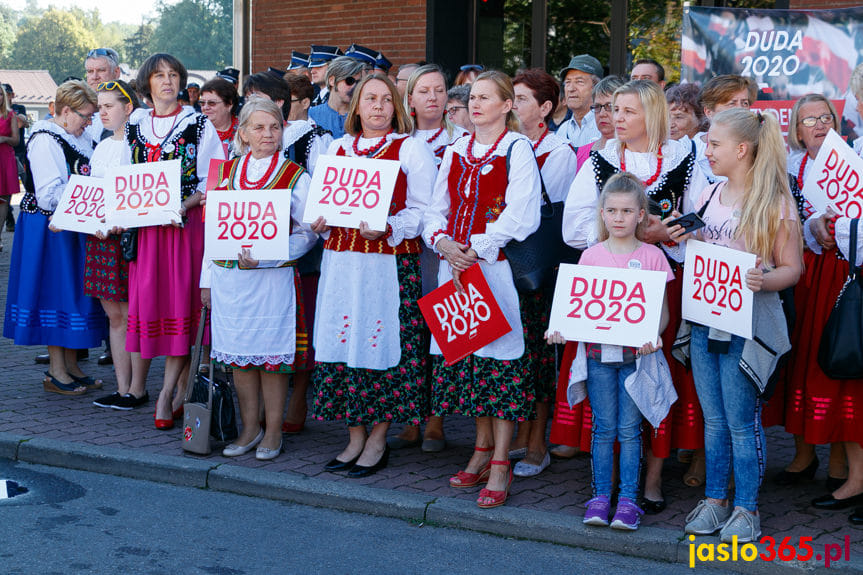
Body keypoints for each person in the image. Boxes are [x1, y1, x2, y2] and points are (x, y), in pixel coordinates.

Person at [563, 80, 710, 513]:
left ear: (652, 115)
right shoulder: (599, 159)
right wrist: (629, 232)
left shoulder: (685, 156)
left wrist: (669, 234)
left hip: (663, 282)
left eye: (627, 111)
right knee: (612, 384)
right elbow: (574, 227)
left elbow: (702, 219)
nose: (616, 118)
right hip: (611, 287)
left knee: (658, 373)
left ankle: (651, 477)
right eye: (614, 109)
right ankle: (608, 483)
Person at [670, 108, 801, 543]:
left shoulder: (775, 202)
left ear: (741, 150)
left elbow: (792, 269)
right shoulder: (708, 195)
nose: (706, 151)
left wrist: (765, 279)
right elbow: (703, 248)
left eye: (714, 145)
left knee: (742, 421)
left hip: (747, 327)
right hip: (707, 319)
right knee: (714, 418)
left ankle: (747, 507)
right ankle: (714, 499)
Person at [423, 71, 541, 508]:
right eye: (472, 97)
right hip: (455, 268)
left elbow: (522, 214)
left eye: (486, 97)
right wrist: (443, 242)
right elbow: (436, 209)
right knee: (471, 362)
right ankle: (480, 447)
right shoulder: (455, 149)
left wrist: (477, 246)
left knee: (499, 367)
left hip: (494, 269)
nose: (475, 104)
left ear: (507, 105)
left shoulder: (517, 149)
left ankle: (499, 464)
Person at [312, 74, 437, 478]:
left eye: (386, 99)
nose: (379, 106)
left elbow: (423, 211)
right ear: (357, 106)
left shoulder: (411, 149)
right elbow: (325, 205)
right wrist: (317, 221)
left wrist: (389, 225)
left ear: (397, 106)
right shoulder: (338, 147)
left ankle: (379, 436)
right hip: (341, 264)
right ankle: (353, 436)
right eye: (370, 99)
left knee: (381, 346)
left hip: (387, 264)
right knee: (344, 343)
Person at [550, 172, 672, 530]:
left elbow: (660, 311)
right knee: (604, 428)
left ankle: (629, 501)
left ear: (641, 215)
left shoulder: (652, 256)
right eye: (612, 210)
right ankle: (601, 496)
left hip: (636, 357)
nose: (619, 218)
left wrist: (656, 334)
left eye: (627, 211)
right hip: (599, 357)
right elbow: (577, 307)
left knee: (630, 431)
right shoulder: (590, 256)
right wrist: (561, 328)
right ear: (601, 213)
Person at [201, 97, 317, 461]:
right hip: (230, 280)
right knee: (240, 359)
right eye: (259, 127)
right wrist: (206, 279)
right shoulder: (226, 172)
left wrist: (273, 254)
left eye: (275, 127)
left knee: (271, 360)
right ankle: (249, 427)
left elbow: (309, 232)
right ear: (244, 133)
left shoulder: (295, 175)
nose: (268, 134)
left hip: (272, 281)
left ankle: (273, 429)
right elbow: (214, 230)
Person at [772, 94, 863, 517]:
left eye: (826, 117)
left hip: (846, 274)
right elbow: (793, 217)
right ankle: (814, 459)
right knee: (809, 361)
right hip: (810, 272)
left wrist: (837, 229)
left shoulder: (851, 158)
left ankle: (849, 471)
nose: (819, 125)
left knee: (842, 362)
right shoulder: (794, 166)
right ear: (797, 127)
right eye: (810, 119)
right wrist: (815, 226)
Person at [125, 53, 225, 430]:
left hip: (184, 230)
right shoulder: (136, 123)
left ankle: (168, 392)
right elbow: (125, 176)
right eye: (159, 75)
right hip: (148, 233)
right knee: (152, 304)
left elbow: (212, 179)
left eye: (173, 75)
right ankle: (169, 389)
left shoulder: (199, 125)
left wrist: (182, 205)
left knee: (182, 307)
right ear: (146, 83)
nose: (167, 81)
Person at [3, 80, 106, 394]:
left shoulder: (79, 136)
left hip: (74, 225)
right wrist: (93, 199)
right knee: (55, 294)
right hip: (48, 228)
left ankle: (72, 366)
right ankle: (56, 371)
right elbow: (50, 194)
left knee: (74, 293)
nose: (89, 122)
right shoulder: (46, 139)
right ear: (65, 111)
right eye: (85, 115)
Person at [387, 64, 468, 454]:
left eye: (439, 90)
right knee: (410, 330)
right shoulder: (396, 140)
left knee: (440, 326)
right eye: (424, 91)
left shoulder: (464, 140)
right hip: (403, 245)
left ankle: (437, 419)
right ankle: (412, 417)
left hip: (443, 246)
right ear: (410, 98)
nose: (432, 97)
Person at [547, 75, 624, 462]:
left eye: (613, 106)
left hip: (631, 262)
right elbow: (575, 215)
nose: (605, 114)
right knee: (588, 353)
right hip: (595, 255)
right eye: (599, 107)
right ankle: (577, 432)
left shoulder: (650, 154)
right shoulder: (590, 151)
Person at [507, 68, 579, 477]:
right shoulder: (505, 145)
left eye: (520, 98)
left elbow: (534, 214)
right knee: (513, 350)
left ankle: (538, 442)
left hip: (537, 265)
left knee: (538, 352)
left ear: (545, 108)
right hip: (501, 262)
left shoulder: (559, 152)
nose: (512, 105)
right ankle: (517, 433)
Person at [83, 80, 153, 410]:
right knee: (114, 315)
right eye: (99, 107)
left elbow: (146, 193)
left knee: (132, 313)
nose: (102, 112)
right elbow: (93, 195)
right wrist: (90, 222)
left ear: (128, 107)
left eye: (109, 106)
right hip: (101, 239)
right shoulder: (101, 146)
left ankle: (137, 389)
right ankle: (122, 386)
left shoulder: (141, 147)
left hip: (129, 237)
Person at [694, 75, 757, 182]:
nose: (740, 109)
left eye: (745, 103)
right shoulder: (691, 150)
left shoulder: (759, 144)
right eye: (732, 103)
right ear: (709, 112)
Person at [308, 56, 366, 140]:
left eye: (358, 82)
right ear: (332, 80)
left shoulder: (364, 115)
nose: (354, 87)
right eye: (349, 81)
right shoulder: (311, 115)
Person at [556, 54, 603, 147]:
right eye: (568, 82)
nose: (571, 89)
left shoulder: (606, 126)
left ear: (596, 88)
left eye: (579, 82)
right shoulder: (562, 130)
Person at [83, 48, 122, 142]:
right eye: (90, 71)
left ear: (116, 72)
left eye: (101, 70)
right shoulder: (77, 110)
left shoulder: (130, 109)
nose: (95, 77)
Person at [199, 78, 240, 159]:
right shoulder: (194, 132)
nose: (205, 107)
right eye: (202, 103)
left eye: (212, 103)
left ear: (229, 105)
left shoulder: (245, 131)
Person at [0, 86, 20, 250]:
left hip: (5, 158)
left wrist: (4, 138)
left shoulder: (10, 114)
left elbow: (16, 140)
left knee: (4, 200)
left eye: (0, 94)